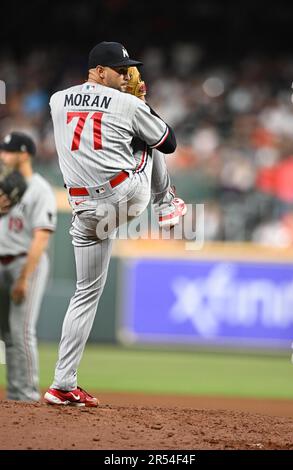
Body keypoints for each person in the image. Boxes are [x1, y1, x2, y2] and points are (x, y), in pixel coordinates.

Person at [44, 41, 186, 407]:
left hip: (83, 210)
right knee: (148, 145)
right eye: (120, 70)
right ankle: (167, 205)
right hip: (123, 197)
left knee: (83, 293)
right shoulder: (128, 102)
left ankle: (61, 382)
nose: (126, 76)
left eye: (128, 71)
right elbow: (168, 142)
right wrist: (144, 106)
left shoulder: (57, 100)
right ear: (98, 71)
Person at [0, 132, 57, 401]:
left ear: (24, 154)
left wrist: (24, 277)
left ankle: (27, 394)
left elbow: (41, 237)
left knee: (21, 330)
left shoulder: (39, 188)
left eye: (9, 151)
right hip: (1, 262)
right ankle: (15, 394)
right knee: (6, 334)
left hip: (25, 262)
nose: (3, 155)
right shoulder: (1, 184)